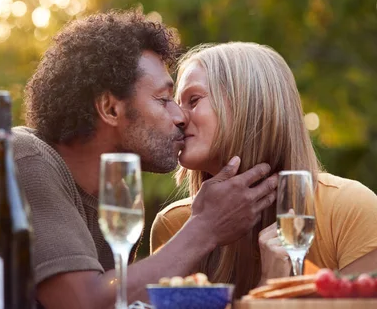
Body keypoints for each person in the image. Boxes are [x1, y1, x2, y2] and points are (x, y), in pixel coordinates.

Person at [0, 11, 277, 309]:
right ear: (109, 107)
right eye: (163, 99)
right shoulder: (20, 160)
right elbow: (81, 303)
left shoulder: (108, 194)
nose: (179, 116)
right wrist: (205, 228)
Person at [150, 42, 377, 298]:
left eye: (193, 100)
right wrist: (267, 290)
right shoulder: (175, 227)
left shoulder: (350, 210)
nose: (178, 117)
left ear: (249, 103)